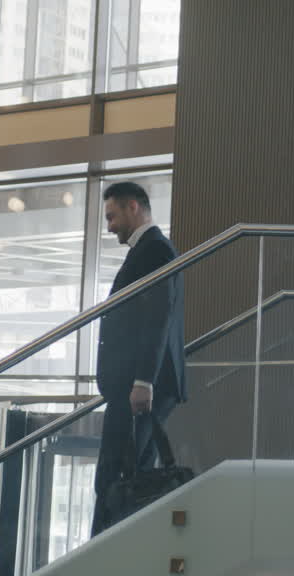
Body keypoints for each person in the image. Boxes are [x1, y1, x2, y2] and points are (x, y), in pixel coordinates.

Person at [91, 181, 186, 536]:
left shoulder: (154, 250)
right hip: (137, 385)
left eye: (112, 215)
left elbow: (157, 316)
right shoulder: (149, 249)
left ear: (133, 207)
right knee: (133, 473)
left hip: (139, 386)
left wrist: (143, 380)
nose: (110, 225)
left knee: (115, 475)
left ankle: (103, 551)